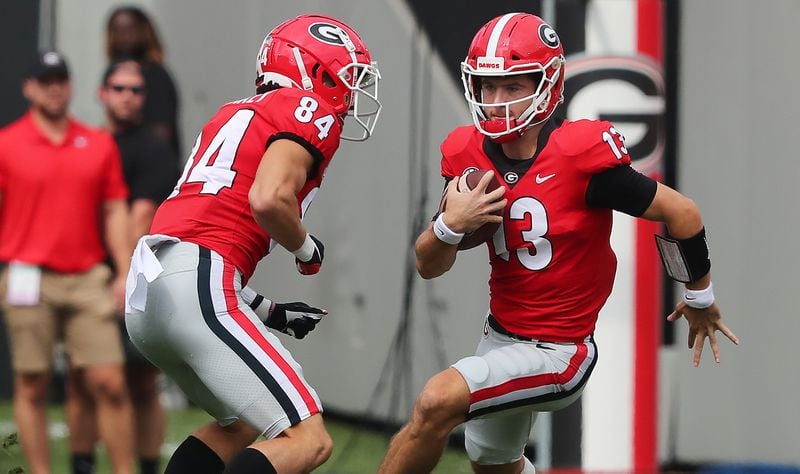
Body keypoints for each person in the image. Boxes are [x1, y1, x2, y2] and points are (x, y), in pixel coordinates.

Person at [378, 13, 739, 474]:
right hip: (499, 338)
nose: (496, 101)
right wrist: (452, 224)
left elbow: (681, 213)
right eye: (487, 87)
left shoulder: (577, 155)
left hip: (560, 352)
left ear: (547, 88)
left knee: (435, 403)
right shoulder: (465, 152)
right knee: (495, 466)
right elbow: (428, 264)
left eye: (511, 86)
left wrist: (699, 295)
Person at [123, 14, 382, 474]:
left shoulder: (232, 113)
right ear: (313, 72)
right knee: (308, 439)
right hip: (195, 282)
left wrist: (272, 311)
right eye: (345, 78)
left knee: (241, 424)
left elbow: (195, 257)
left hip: (150, 290)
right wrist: (308, 251)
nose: (349, 94)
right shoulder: (307, 109)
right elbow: (269, 199)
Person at [0, 51, 135, 474]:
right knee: (32, 383)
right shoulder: (6, 144)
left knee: (110, 382)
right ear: (29, 87)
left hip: (87, 276)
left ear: (71, 85)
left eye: (60, 78)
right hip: (27, 276)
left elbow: (115, 209)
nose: (54, 87)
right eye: (44, 79)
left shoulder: (97, 143)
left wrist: (124, 268)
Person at [66, 60, 179, 474]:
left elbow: (141, 217)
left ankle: (146, 467)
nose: (128, 96)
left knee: (141, 383)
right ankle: (82, 465)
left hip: (137, 277)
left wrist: (123, 277)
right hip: (85, 274)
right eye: (119, 88)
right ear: (101, 92)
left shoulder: (154, 148)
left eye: (136, 90)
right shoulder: (87, 145)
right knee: (82, 378)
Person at [106, 5, 181, 155]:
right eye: (117, 30)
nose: (123, 36)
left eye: (129, 29)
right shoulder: (112, 70)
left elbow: (163, 131)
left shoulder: (156, 74)